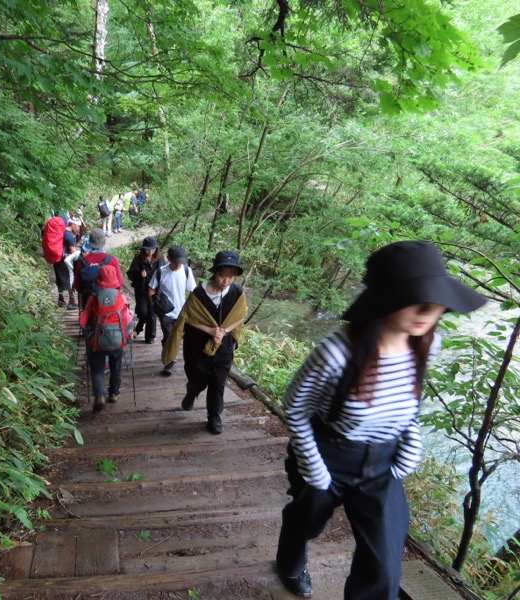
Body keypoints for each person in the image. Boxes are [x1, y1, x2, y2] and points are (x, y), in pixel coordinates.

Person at [275, 240, 486, 599]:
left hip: (383, 465)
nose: (428, 309)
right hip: (330, 454)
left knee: (384, 564)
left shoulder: (426, 344)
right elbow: (295, 406)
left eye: (435, 300)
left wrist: (410, 440)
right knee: (305, 521)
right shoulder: (337, 352)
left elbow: (407, 403)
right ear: (386, 299)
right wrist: (313, 467)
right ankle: (291, 563)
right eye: (415, 298)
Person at [162, 251, 247, 435]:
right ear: (215, 273)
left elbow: (240, 316)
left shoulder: (237, 293)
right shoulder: (199, 293)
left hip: (223, 344)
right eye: (222, 275)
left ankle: (214, 416)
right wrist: (209, 330)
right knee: (198, 375)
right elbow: (186, 317)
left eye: (230, 277)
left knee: (218, 381)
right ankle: (192, 391)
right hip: (197, 343)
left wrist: (223, 332)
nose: (226, 281)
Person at [79, 264, 133, 412]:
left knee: (97, 369)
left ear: (99, 280)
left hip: (98, 341)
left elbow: (82, 322)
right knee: (116, 366)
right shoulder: (121, 297)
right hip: (118, 340)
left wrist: (83, 316)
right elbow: (128, 319)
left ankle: (99, 395)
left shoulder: (93, 298)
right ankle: (114, 393)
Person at [148, 245, 197, 375]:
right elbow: (151, 290)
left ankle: (169, 354)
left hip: (182, 312)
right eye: (175, 262)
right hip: (166, 312)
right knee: (169, 336)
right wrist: (155, 307)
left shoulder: (186, 271)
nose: (177, 265)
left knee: (179, 337)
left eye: (180, 262)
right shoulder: (160, 272)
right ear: (168, 259)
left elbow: (193, 291)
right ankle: (169, 362)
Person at [73, 228, 124, 309]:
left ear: (89, 243)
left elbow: (77, 285)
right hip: (108, 302)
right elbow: (119, 284)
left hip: (89, 302)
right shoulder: (111, 260)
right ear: (103, 242)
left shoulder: (82, 261)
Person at [126, 236, 164, 344]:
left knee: (152, 314)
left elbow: (164, 273)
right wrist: (140, 275)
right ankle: (138, 328)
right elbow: (130, 274)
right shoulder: (138, 258)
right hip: (142, 290)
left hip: (154, 291)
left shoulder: (160, 259)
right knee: (143, 312)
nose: (150, 251)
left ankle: (150, 337)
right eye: (148, 249)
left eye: (152, 249)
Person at [52, 217, 81, 309]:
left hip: (57, 258)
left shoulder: (61, 232)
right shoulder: (69, 235)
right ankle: (71, 301)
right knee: (70, 279)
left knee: (59, 279)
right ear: (73, 224)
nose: (78, 229)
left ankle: (61, 300)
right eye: (78, 226)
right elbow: (73, 252)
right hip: (65, 260)